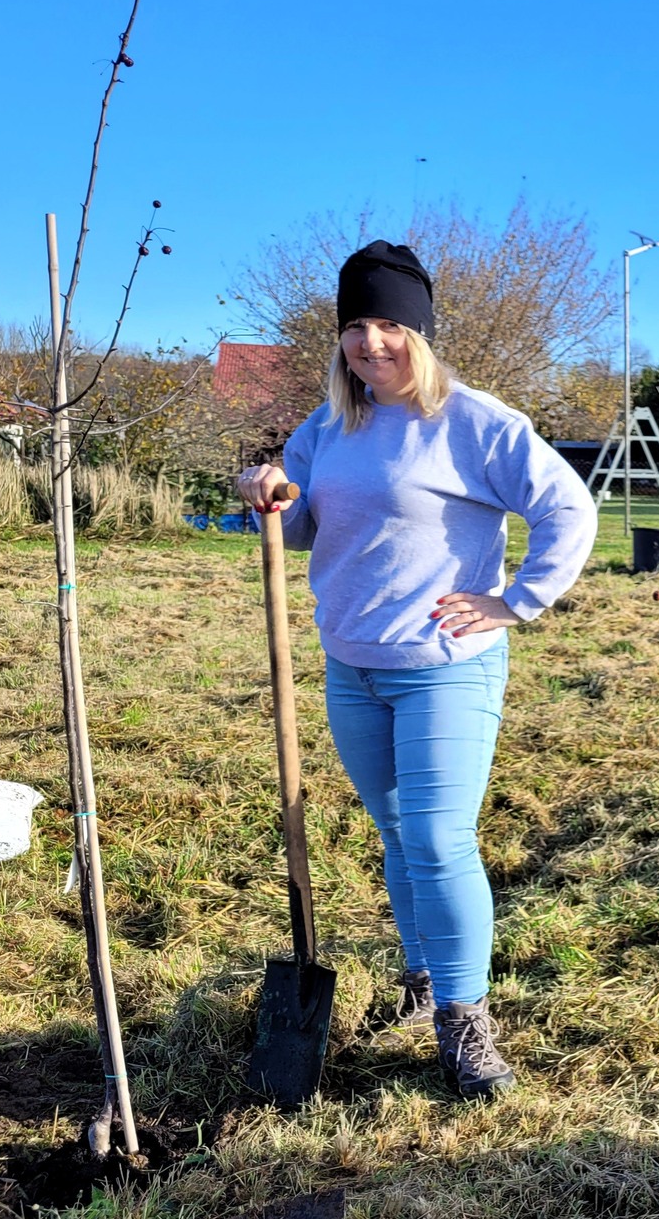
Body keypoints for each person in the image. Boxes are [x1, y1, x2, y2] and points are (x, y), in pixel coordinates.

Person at [237, 240, 597, 1100]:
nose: (371, 344)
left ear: (422, 335)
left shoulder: (472, 422)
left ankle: (465, 1020)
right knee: (398, 835)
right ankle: (422, 981)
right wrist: (266, 494)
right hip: (350, 663)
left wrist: (515, 601)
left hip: (444, 667)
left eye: (389, 324)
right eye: (356, 327)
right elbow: (298, 534)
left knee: (438, 839)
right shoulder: (326, 429)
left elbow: (568, 507)